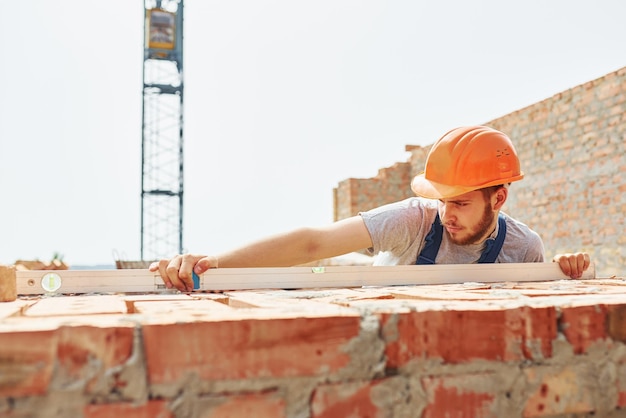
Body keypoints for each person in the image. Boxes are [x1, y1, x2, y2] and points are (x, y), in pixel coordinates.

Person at [150, 125, 591, 292]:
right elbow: (314, 243)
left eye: (459, 202)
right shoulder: (416, 220)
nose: (446, 213)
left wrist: (566, 271)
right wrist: (212, 263)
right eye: (441, 200)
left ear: (498, 198)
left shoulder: (525, 247)